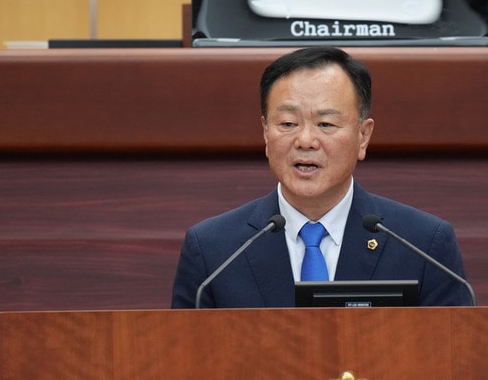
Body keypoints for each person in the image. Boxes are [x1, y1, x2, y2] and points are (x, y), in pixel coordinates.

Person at [171, 45, 470, 308]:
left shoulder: (422, 244)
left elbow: (456, 360)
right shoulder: (213, 250)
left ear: (363, 136)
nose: (305, 140)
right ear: (265, 132)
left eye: (326, 124)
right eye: (288, 123)